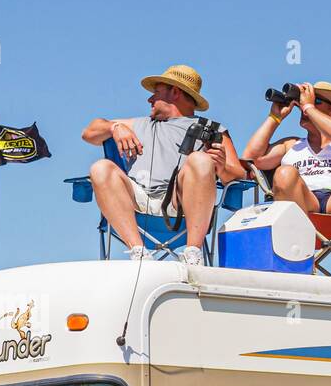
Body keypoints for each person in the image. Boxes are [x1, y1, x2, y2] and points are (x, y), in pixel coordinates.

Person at [82, 64, 246, 264]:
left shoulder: (212, 129)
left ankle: (193, 253)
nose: (149, 99)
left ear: (175, 92)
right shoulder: (138, 123)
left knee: (200, 160)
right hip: (136, 202)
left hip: (180, 204)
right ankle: (139, 252)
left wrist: (221, 167)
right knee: (100, 167)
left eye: (156, 93)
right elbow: (89, 133)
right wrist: (114, 127)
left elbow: (237, 175)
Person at [239, 82, 331, 279]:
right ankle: (303, 260)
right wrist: (275, 117)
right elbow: (250, 159)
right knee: (284, 173)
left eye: (316, 100)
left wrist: (308, 107)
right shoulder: (292, 144)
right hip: (303, 202)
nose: (304, 106)